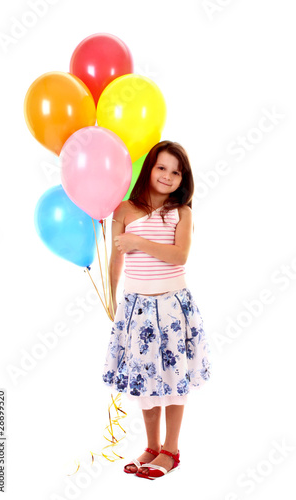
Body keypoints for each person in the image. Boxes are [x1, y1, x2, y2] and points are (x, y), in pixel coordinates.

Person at [102, 140, 211, 480]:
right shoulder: (123, 211)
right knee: (146, 380)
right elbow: (115, 259)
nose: (167, 176)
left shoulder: (183, 212)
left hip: (172, 307)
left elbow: (179, 256)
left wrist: (138, 242)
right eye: (161, 167)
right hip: (137, 309)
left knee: (174, 379)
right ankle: (152, 446)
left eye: (176, 172)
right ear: (149, 168)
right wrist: (112, 296)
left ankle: (171, 449)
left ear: (184, 179)